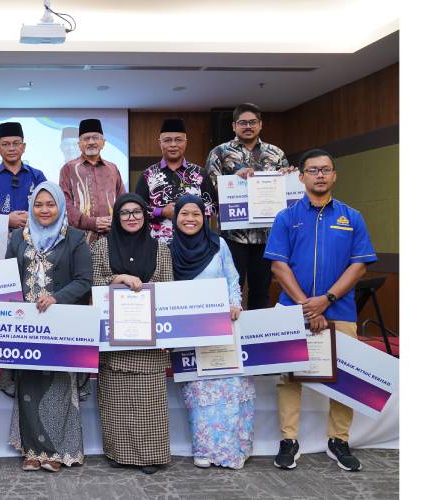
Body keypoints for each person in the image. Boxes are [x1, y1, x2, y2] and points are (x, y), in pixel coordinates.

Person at [264, 149, 377, 472]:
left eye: (326, 170)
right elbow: (278, 266)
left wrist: (325, 300)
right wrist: (306, 305)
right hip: (293, 309)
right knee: (289, 377)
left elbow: (359, 267)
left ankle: (338, 440)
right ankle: (289, 440)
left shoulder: (352, 217)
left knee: (346, 376)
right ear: (300, 176)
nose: (320, 175)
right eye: (313, 170)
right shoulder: (286, 217)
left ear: (334, 175)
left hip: (339, 309)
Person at [6, 181, 93, 472]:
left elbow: (84, 280)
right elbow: (7, 278)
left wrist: (57, 298)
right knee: (29, 386)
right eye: (39, 205)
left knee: (57, 386)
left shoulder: (75, 238)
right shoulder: (18, 237)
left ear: (60, 206)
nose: (44, 210)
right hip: (26, 326)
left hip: (60, 324)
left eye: (50, 204)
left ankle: (56, 452)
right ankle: (32, 450)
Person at [170, 194, 255, 470]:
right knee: (200, 394)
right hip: (188, 332)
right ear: (176, 217)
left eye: (196, 214)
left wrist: (235, 304)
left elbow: (232, 278)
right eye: (184, 214)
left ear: (204, 217)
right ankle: (204, 450)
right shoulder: (167, 248)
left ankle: (232, 450)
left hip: (222, 329)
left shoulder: (218, 244)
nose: (190, 219)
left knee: (229, 390)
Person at [90, 193, 173, 474]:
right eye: (124, 213)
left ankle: (152, 455)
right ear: (116, 217)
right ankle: (119, 453)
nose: (131, 217)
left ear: (146, 215)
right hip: (115, 341)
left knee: (149, 404)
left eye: (136, 212)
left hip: (149, 340)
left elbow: (167, 288)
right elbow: (92, 285)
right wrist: (118, 279)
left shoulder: (161, 249)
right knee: (116, 403)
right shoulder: (102, 247)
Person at [206, 103, 295, 310]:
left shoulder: (276, 153)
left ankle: (257, 338)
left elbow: (286, 190)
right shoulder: (219, 152)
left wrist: (290, 176)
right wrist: (233, 180)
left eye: (252, 122)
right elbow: (210, 188)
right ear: (234, 126)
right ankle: (231, 340)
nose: (248, 126)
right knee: (231, 288)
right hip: (233, 236)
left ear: (260, 125)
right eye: (243, 123)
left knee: (261, 291)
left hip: (267, 236)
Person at [136, 118, 217, 243]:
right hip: (157, 244)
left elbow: (213, 207)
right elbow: (137, 209)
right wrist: (161, 211)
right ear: (160, 143)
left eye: (178, 140)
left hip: (194, 243)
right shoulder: (148, 175)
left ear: (185, 142)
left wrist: (188, 212)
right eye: (167, 140)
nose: (173, 144)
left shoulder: (200, 173)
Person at [59, 118, 125, 245]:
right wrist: (91, 223)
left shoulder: (112, 168)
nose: (91, 142)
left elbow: (123, 199)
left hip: (112, 236)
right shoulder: (68, 168)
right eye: (86, 138)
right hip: (80, 239)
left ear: (103, 142)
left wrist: (116, 220)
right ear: (79, 144)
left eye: (95, 138)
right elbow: (65, 203)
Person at [0, 122, 47, 229]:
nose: (11, 148)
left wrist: (31, 217)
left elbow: (47, 206)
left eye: (16, 143)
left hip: (32, 235)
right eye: (5, 144)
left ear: (23, 147)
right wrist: (5, 220)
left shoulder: (37, 176)